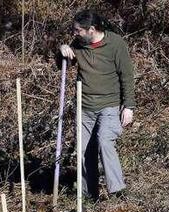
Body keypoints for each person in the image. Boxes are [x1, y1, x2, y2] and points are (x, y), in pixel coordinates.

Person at [58, 10, 136, 200]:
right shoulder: (79, 44)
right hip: (85, 106)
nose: (74, 34)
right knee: (85, 150)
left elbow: (126, 75)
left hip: (109, 104)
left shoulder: (115, 44)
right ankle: (88, 194)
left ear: (91, 29)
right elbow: (62, 65)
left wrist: (129, 106)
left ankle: (117, 191)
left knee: (104, 140)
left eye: (78, 30)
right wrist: (62, 51)